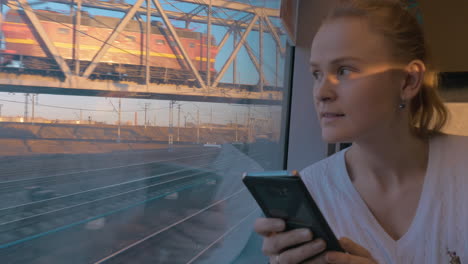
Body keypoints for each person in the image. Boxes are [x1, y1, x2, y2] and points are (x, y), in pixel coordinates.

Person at [254, 0, 468, 263]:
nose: (321, 93)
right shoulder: (312, 192)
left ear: (408, 80)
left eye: (344, 70)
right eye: (316, 74)